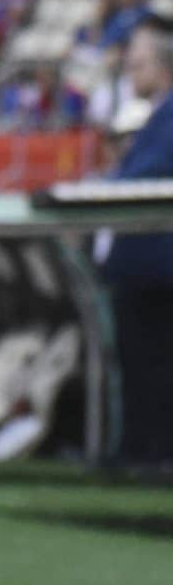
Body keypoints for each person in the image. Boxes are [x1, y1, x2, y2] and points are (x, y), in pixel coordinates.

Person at [97, 25, 173, 468]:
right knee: (141, 359)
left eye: (138, 63)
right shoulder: (157, 114)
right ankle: (139, 449)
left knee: (151, 360)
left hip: (157, 259)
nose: (130, 70)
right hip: (146, 259)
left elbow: (152, 171)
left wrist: (110, 186)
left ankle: (150, 453)